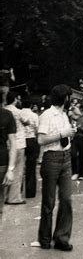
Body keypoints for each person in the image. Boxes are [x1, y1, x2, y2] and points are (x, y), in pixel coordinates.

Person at [37, 84, 76, 251]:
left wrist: (69, 135)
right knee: (49, 202)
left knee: (66, 199)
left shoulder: (64, 115)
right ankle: (44, 238)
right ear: (64, 98)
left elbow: (65, 136)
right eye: (69, 97)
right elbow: (41, 140)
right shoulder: (47, 115)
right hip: (51, 159)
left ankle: (61, 237)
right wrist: (63, 134)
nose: (70, 100)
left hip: (65, 158)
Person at [4, 91, 29, 204]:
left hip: (6, 144)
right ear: (15, 99)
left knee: (6, 170)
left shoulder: (4, 111)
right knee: (18, 171)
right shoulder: (19, 112)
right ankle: (14, 197)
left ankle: (4, 195)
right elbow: (27, 122)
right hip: (18, 144)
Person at [0, 90, 17, 220]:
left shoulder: (7, 115)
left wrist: (10, 169)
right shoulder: (7, 115)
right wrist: (10, 169)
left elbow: (12, 143)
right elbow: (13, 143)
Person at [22, 98, 40, 198]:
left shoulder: (19, 114)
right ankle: (30, 192)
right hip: (31, 140)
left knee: (19, 166)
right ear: (31, 105)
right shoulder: (34, 116)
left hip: (20, 140)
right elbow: (37, 130)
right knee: (31, 167)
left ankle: (17, 191)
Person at [70, 104, 83, 181]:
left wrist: (80, 128)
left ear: (79, 109)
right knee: (73, 154)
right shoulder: (72, 117)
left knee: (82, 156)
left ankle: (81, 174)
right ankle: (74, 172)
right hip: (74, 138)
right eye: (73, 109)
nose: (74, 110)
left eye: (75, 108)